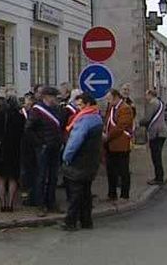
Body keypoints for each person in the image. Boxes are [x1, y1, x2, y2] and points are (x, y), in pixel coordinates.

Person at [61, 92, 103, 231]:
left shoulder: (84, 120)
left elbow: (74, 142)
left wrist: (66, 157)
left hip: (79, 162)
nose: (78, 108)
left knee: (75, 194)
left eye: (80, 105)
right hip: (91, 161)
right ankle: (86, 221)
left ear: (88, 104)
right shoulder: (97, 117)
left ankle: (70, 222)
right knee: (86, 193)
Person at [24, 86, 64, 217]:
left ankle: (51, 202)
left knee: (53, 176)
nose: (55, 99)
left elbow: (60, 126)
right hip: (43, 147)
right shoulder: (37, 110)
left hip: (55, 146)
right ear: (47, 97)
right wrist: (39, 143)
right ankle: (40, 204)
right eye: (53, 97)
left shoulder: (57, 110)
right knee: (41, 176)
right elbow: (29, 129)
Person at [0, 93, 25, 212]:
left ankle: (3, 203)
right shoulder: (20, 117)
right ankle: (10, 203)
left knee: (1, 177)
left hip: (1, 148)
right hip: (15, 149)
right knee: (12, 177)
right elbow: (23, 133)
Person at [104, 89, 134, 201]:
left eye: (109, 98)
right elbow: (107, 122)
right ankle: (112, 194)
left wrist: (108, 136)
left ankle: (124, 195)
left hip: (121, 144)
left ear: (116, 97)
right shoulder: (111, 108)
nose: (108, 101)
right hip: (110, 144)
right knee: (111, 171)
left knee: (123, 171)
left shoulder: (125, 108)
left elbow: (121, 127)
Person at [139, 89, 167, 185]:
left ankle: (158, 178)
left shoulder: (152, 103)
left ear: (150, 95)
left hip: (156, 133)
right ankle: (160, 177)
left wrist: (140, 122)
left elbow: (147, 118)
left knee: (156, 156)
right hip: (162, 132)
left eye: (146, 95)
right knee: (158, 156)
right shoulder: (160, 103)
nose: (145, 97)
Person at [20, 92, 36, 206]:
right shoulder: (21, 113)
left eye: (30, 100)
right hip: (24, 145)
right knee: (25, 171)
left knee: (32, 171)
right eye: (26, 100)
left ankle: (32, 193)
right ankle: (25, 193)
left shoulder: (34, 113)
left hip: (33, 145)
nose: (28, 102)